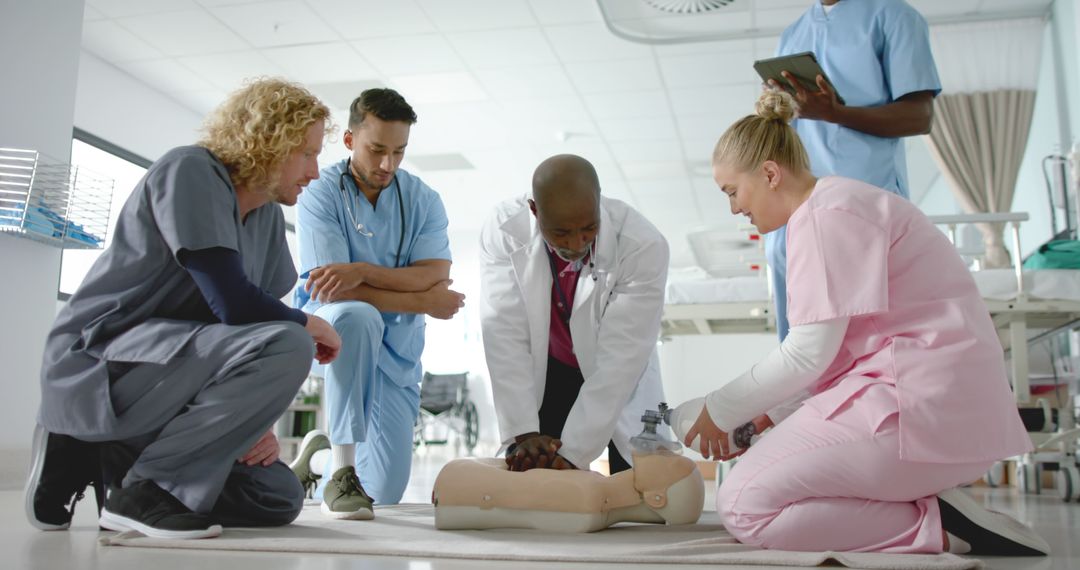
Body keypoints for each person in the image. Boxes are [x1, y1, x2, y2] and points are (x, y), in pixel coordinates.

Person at [675, 90, 1047, 555]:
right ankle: (937, 511)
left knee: (745, 506)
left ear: (770, 173)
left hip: (917, 407)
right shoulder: (836, 206)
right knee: (754, 490)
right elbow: (836, 359)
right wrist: (763, 415)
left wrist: (719, 409)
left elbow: (808, 353)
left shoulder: (826, 216)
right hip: (925, 403)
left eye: (732, 192)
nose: (734, 209)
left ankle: (940, 528)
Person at [27, 78, 342, 539]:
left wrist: (254, 423)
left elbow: (253, 330)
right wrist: (312, 322)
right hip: (104, 361)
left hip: (176, 372)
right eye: (308, 153)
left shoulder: (268, 217)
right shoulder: (191, 171)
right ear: (270, 141)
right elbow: (234, 303)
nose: (315, 172)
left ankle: (113, 461)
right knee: (292, 337)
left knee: (277, 496)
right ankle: (141, 488)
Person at [293, 88, 464, 519]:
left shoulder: (423, 200)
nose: (388, 164)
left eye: (399, 152)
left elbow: (434, 273)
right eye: (377, 150)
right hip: (331, 334)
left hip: (397, 351)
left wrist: (363, 271)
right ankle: (342, 472)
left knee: (385, 492)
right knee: (357, 314)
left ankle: (321, 457)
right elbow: (335, 290)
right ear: (350, 141)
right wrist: (422, 300)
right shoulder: (320, 193)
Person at [478, 154, 668, 476]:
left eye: (589, 228)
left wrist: (574, 453)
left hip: (617, 372)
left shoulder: (641, 245)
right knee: (538, 477)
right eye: (561, 232)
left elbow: (619, 361)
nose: (576, 243)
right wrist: (524, 433)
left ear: (599, 205)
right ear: (535, 211)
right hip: (551, 368)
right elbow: (504, 334)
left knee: (642, 487)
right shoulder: (505, 231)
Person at [765, 0, 942, 340]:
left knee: (871, 335)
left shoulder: (894, 17)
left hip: (866, 199)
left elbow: (919, 117)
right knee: (803, 341)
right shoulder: (792, 35)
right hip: (802, 206)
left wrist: (835, 113)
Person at [432, 452, 704, 532]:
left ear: (658, 498)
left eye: (667, 462)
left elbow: (461, 482)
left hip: (457, 482)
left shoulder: (587, 497)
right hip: (460, 479)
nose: (661, 455)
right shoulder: (592, 493)